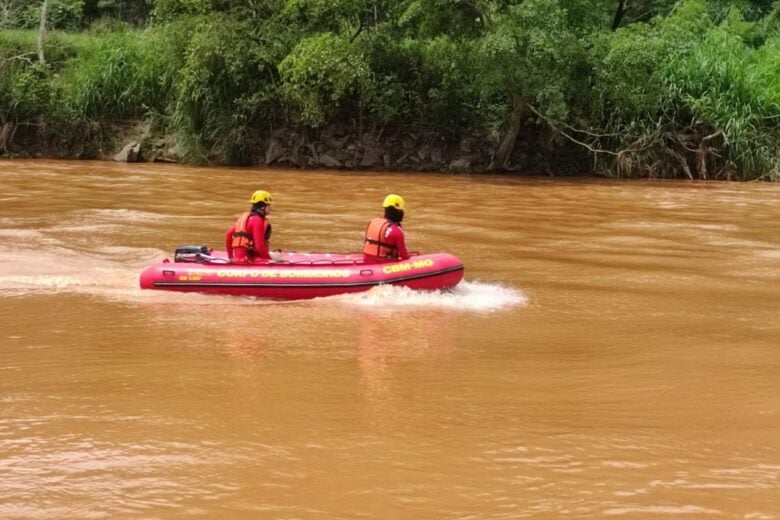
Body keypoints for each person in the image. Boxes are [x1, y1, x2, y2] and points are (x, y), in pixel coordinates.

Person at [225, 190, 273, 263]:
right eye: (269, 205)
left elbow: (228, 234)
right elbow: (259, 247)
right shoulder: (258, 220)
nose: (270, 208)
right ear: (263, 207)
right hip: (247, 259)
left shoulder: (245, 217)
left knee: (277, 255)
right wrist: (269, 259)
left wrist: (231, 257)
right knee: (278, 260)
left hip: (239, 257)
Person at [363, 194, 410, 262]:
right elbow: (404, 256)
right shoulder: (396, 231)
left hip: (367, 260)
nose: (402, 213)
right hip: (383, 264)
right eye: (401, 211)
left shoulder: (373, 222)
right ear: (397, 212)